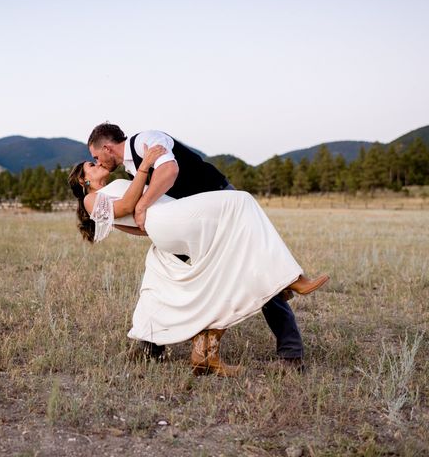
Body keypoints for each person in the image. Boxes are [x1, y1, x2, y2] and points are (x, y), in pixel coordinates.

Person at [75, 123, 328, 373]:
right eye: (92, 162)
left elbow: (166, 173)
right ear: (83, 180)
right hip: (188, 221)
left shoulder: (147, 140)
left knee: (159, 277)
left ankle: (154, 346)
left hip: (204, 210)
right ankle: (289, 300)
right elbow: (137, 205)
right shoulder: (121, 179)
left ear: (107, 147)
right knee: (247, 235)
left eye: (95, 157)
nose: (96, 161)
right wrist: (143, 204)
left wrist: (146, 213)